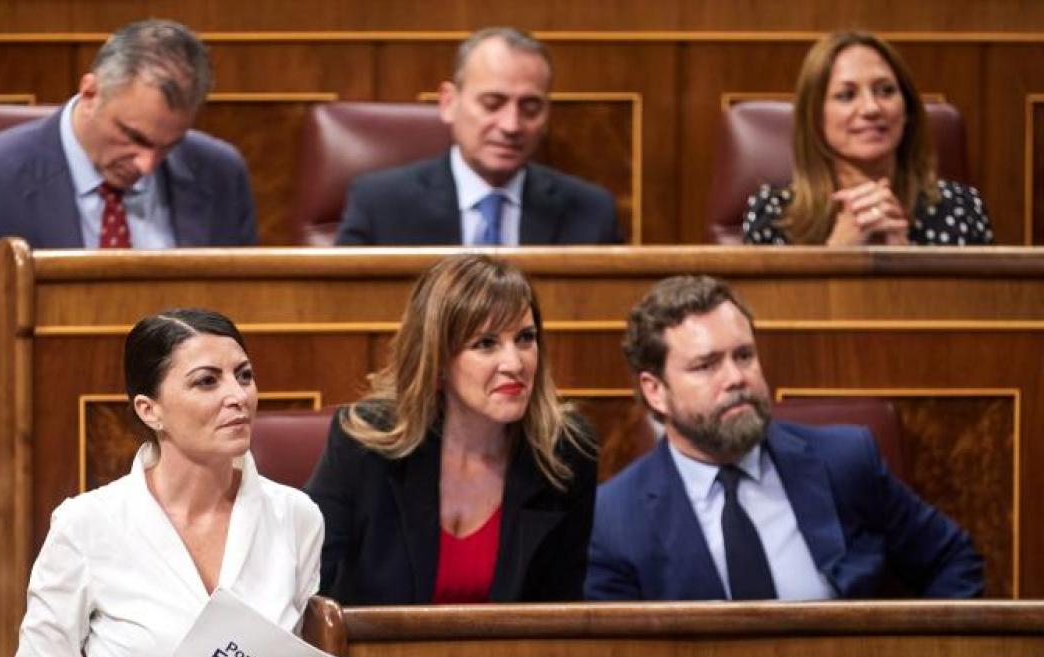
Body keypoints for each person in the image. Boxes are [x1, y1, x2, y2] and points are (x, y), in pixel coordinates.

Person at [0, 19, 257, 569]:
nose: (147, 163)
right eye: (133, 137)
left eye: (167, 146)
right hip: (37, 471)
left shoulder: (218, 172)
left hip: (199, 480)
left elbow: (249, 325)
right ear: (90, 91)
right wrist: (55, 368)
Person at [12, 309, 322, 657]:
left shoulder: (297, 516)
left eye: (244, 376)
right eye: (207, 382)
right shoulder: (87, 522)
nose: (238, 396)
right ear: (149, 409)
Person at [585, 275, 984, 600]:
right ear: (655, 390)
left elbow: (952, 559)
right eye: (706, 365)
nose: (736, 378)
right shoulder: (614, 521)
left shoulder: (844, 462)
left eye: (744, 356)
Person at [306, 254, 598, 605]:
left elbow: (563, 610)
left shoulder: (566, 452)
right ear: (438, 360)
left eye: (525, 338)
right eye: (486, 344)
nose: (515, 363)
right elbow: (305, 581)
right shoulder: (364, 443)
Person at [334, 27, 621, 246]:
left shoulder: (591, 212)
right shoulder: (381, 205)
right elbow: (339, 311)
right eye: (492, 104)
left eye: (530, 108)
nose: (511, 125)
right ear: (448, 103)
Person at [742, 30, 992, 246]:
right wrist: (835, 258)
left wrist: (908, 264)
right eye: (847, 95)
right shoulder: (775, 213)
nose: (871, 108)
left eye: (885, 90)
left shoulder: (962, 208)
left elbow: (985, 302)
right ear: (816, 117)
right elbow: (760, 303)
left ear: (908, 111)